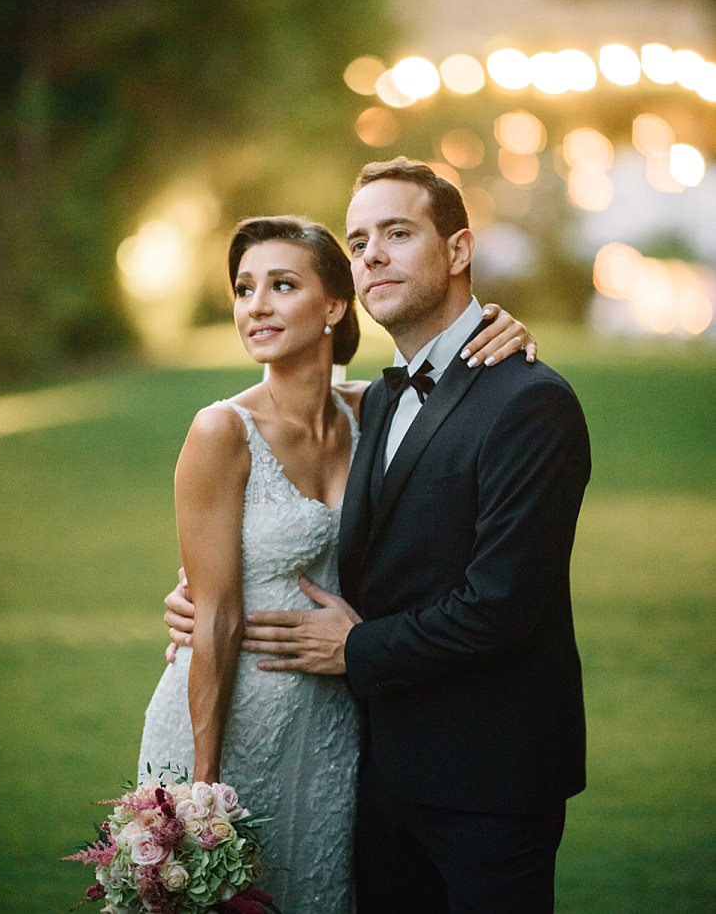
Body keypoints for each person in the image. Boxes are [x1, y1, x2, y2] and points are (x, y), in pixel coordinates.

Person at [166, 158, 590, 913]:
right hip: (372, 769)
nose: (374, 256)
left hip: (487, 778)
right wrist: (201, 601)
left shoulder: (530, 400)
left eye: (398, 233)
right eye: (360, 242)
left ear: (459, 251)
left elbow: (500, 605)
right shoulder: (380, 401)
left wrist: (353, 648)